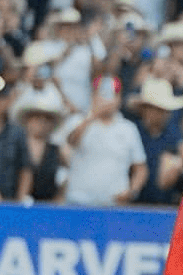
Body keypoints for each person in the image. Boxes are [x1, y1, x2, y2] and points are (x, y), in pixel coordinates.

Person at [63, 75, 147, 206]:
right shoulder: (78, 120)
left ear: (119, 99)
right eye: (103, 94)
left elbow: (140, 168)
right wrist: (93, 116)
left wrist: (131, 192)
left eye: (112, 95)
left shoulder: (128, 128)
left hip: (113, 204)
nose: (107, 99)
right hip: (79, 201)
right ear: (93, 95)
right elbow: (71, 140)